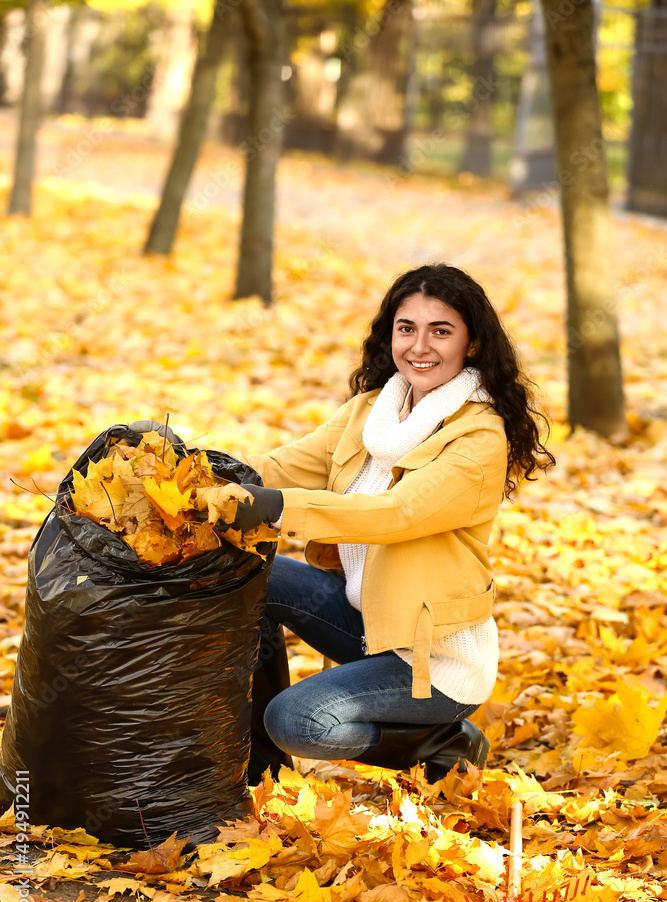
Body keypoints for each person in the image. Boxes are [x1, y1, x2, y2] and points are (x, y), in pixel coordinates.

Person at [133, 263, 554, 784]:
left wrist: (276, 508)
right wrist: (185, 465)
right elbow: (278, 467)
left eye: (440, 331)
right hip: (366, 621)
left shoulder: (479, 441)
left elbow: (396, 514)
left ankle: (436, 743)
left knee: (298, 720)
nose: (419, 345)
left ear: (471, 344)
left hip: (433, 659)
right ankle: (254, 762)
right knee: (244, 573)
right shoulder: (371, 411)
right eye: (407, 328)